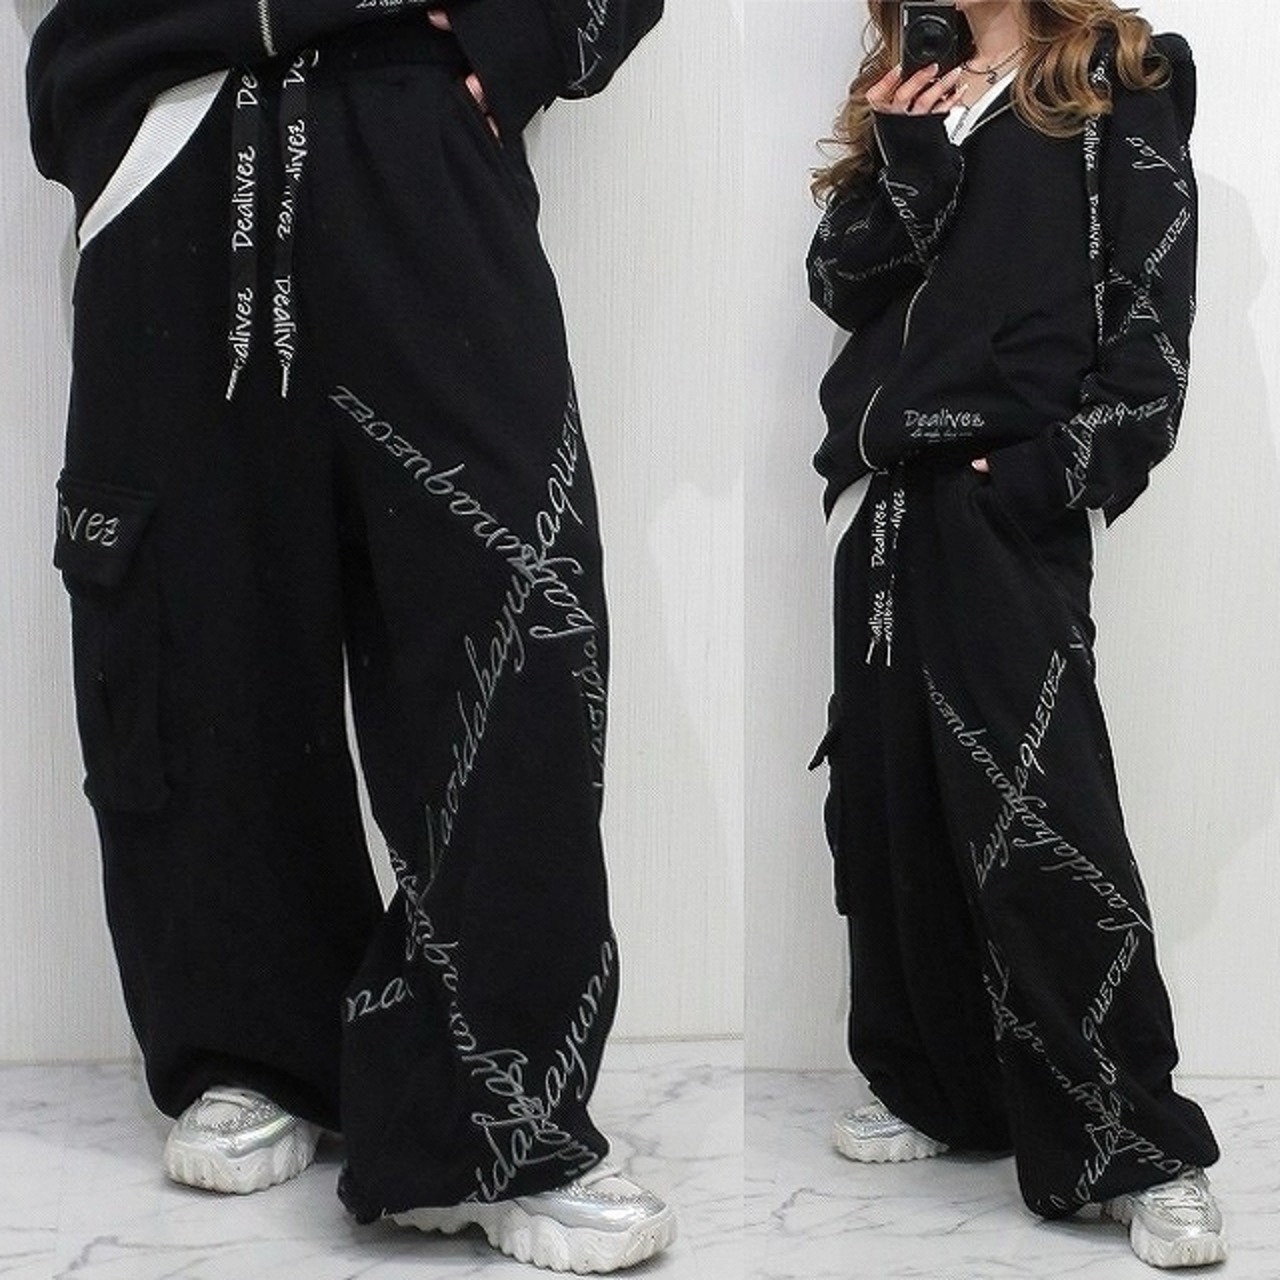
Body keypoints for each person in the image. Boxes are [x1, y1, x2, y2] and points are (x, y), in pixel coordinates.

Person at [26, 0, 674, 1272]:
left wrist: (529, 40)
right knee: (193, 615)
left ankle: (500, 1108)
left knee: (509, 613)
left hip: (415, 115)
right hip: (183, 116)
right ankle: (251, 1043)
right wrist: (115, 124)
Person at [806, 0, 1224, 1268]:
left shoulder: (1114, 74)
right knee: (887, 809)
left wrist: (1049, 474)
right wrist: (908, 154)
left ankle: (1139, 1145)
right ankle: (941, 1090)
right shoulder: (904, 87)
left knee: (1041, 819)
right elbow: (836, 284)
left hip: (1005, 497)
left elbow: (1150, 319)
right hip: (886, 495)